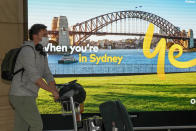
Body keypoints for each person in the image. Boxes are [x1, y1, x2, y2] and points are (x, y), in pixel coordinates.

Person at [8, 24, 59, 131]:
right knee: (37, 125)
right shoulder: (27, 51)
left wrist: (54, 88)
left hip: (28, 95)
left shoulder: (41, 52)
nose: (47, 37)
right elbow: (34, 76)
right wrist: (51, 91)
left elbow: (47, 73)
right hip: (21, 94)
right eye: (44, 34)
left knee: (21, 127)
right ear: (35, 36)